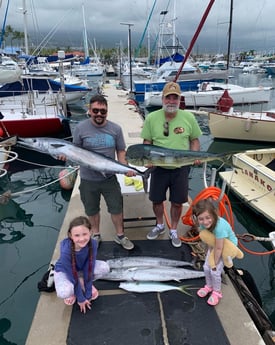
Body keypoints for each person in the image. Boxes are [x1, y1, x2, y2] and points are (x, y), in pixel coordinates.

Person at [141, 81, 202, 248]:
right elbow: (147, 142)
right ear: (163, 99)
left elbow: (194, 141)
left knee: (177, 201)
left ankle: (173, 229)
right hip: (158, 167)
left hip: (180, 168)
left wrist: (195, 155)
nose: (171, 101)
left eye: (175, 98)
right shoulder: (152, 118)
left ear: (179, 100)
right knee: (156, 200)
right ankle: (160, 224)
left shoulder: (188, 117)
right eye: (168, 98)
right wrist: (147, 159)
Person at [72, 94, 135, 250]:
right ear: (90, 110)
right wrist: (62, 156)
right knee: (92, 210)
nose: (99, 114)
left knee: (116, 208)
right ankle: (96, 234)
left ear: (107, 111)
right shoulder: (80, 128)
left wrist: (125, 166)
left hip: (110, 178)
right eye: (96, 110)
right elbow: (74, 151)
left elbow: (121, 150)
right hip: (88, 179)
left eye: (103, 111)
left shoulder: (115, 129)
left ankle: (120, 235)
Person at [54, 216, 110, 314]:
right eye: (77, 235)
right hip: (66, 271)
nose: (82, 239)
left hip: (81, 269)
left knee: (105, 268)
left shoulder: (93, 244)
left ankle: (82, 283)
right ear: (70, 235)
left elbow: (89, 267)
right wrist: (81, 299)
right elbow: (72, 275)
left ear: (90, 232)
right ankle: (74, 291)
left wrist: (87, 295)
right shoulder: (66, 251)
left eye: (85, 234)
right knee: (65, 292)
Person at [192, 199, 238, 306]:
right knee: (206, 267)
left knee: (214, 271)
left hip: (227, 247)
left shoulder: (219, 227)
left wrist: (214, 263)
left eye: (208, 217)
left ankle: (217, 292)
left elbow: (219, 249)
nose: (205, 222)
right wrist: (208, 252)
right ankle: (209, 285)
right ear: (197, 218)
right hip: (216, 245)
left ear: (214, 214)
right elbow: (210, 239)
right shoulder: (204, 225)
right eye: (201, 219)